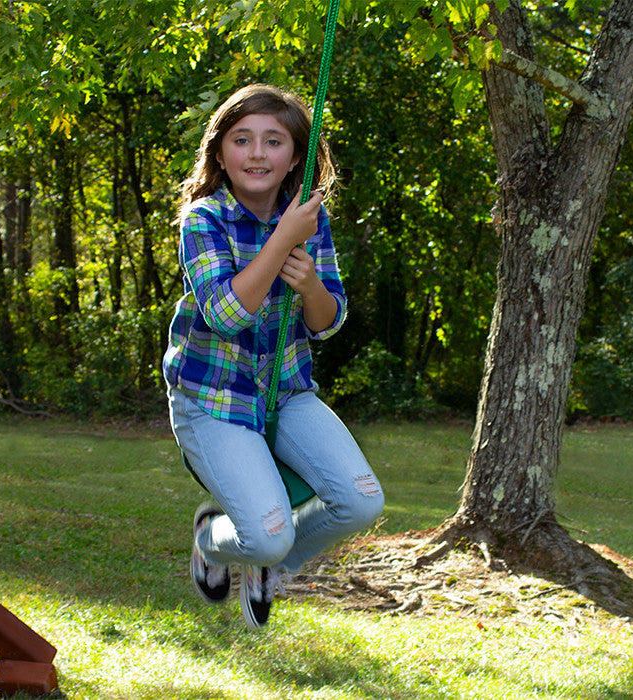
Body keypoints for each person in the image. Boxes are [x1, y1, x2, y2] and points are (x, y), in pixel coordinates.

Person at [163, 84, 384, 629]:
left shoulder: (311, 220)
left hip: (285, 391)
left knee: (360, 503)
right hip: (213, 397)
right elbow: (225, 315)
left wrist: (310, 285)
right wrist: (282, 238)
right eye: (242, 140)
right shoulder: (204, 219)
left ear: (295, 159)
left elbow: (328, 322)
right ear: (220, 153)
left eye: (273, 141)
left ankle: (269, 562)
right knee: (265, 530)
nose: (257, 153)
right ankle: (214, 541)